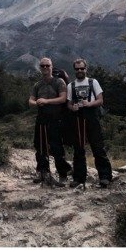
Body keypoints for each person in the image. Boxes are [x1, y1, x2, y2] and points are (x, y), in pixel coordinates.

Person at [67, 58, 113, 188]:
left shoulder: (93, 82)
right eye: (77, 69)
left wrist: (89, 104)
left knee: (98, 147)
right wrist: (72, 108)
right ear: (74, 70)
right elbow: (69, 103)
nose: (80, 71)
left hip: (92, 116)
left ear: (86, 69)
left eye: (82, 68)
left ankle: (105, 177)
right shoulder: (71, 86)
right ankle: (79, 178)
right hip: (78, 118)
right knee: (78, 149)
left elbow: (100, 100)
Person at [28, 57, 70, 187]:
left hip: (55, 118)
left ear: (52, 66)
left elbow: (63, 98)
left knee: (56, 146)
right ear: (40, 68)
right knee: (40, 145)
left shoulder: (59, 82)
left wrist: (46, 101)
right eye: (42, 66)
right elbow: (30, 101)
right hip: (41, 118)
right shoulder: (37, 84)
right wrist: (36, 102)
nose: (45, 68)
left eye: (47, 65)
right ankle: (42, 172)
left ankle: (63, 173)